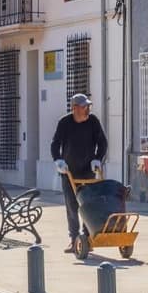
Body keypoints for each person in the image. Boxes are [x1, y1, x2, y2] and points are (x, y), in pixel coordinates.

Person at [50, 92, 108, 253]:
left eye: (88, 106)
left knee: (88, 205)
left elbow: (102, 142)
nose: (87, 109)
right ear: (74, 108)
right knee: (71, 205)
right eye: (84, 107)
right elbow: (55, 144)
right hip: (69, 171)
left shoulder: (93, 122)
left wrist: (98, 159)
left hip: (87, 170)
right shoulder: (64, 122)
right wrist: (58, 160)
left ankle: (87, 237)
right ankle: (74, 238)